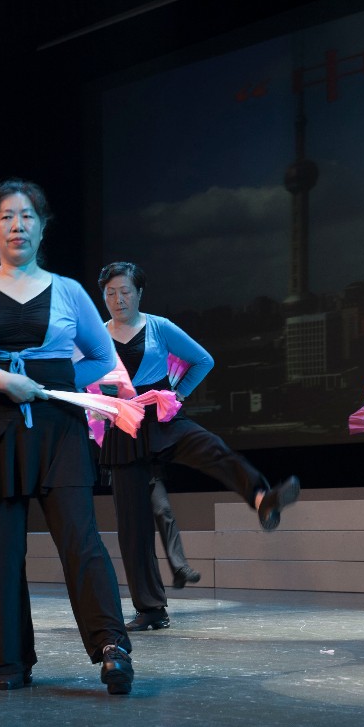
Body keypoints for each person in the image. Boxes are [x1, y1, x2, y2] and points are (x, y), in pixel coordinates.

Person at [0, 179, 134, 693]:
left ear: (42, 228)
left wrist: (54, 386)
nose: (17, 225)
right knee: (1, 553)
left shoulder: (68, 290)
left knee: (81, 541)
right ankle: (12, 662)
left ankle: (112, 647)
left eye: (27, 216)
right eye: (6, 216)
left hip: (57, 427)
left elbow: (102, 357)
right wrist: (4, 381)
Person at [93, 261, 299, 631]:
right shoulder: (96, 334)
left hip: (162, 414)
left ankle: (261, 498)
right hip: (124, 426)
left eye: (125, 291)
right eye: (110, 293)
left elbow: (203, 360)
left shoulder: (159, 327)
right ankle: (151, 609)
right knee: (133, 527)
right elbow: (84, 375)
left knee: (212, 449)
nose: (118, 299)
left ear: (139, 293)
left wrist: (180, 393)